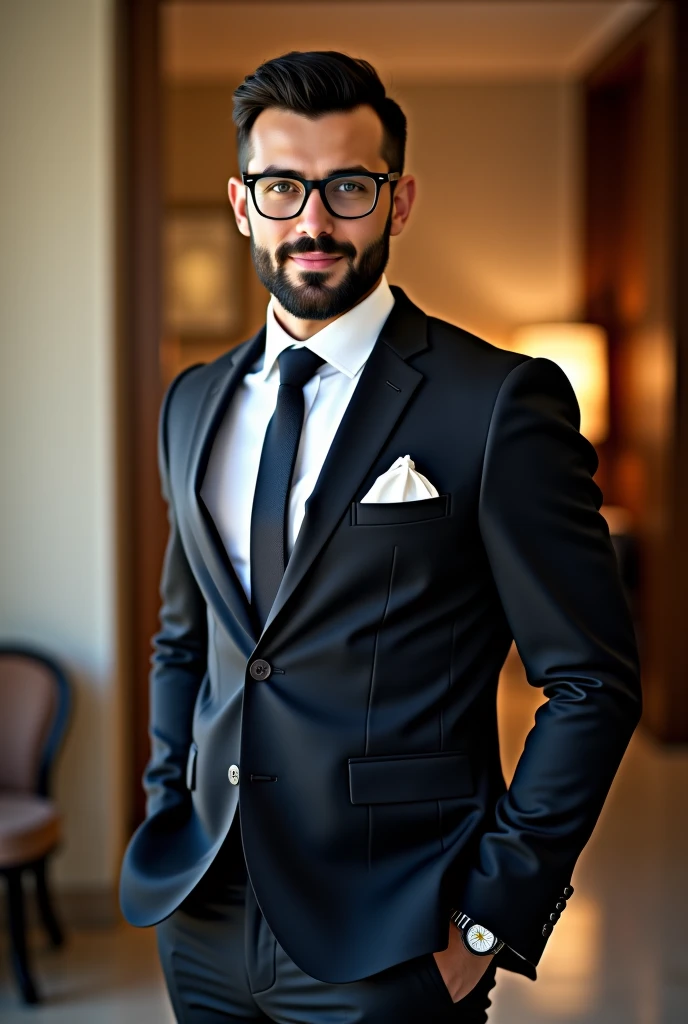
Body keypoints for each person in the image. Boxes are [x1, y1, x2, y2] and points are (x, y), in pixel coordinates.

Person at [119, 50, 642, 1023]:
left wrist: (488, 918)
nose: (312, 221)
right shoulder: (191, 404)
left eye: (346, 187)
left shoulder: (495, 403)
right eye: (282, 187)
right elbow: (185, 638)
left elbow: (589, 681)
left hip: (395, 928)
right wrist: (167, 800)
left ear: (396, 202)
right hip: (203, 913)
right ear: (241, 204)